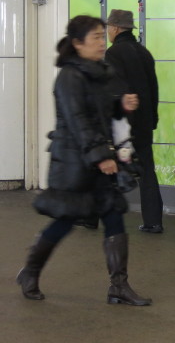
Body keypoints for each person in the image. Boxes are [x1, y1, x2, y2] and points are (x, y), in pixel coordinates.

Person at [17, 15, 152, 305]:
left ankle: (118, 286)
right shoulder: (69, 77)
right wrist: (101, 157)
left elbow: (101, 112)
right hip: (75, 163)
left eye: (103, 36)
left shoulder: (99, 72)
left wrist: (120, 104)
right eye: (95, 38)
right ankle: (30, 271)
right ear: (78, 43)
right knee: (65, 221)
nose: (102, 43)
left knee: (113, 215)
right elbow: (78, 121)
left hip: (97, 159)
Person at [105, 9, 164, 234]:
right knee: (147, 171)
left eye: (109, 27)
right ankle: (153, 221)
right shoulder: (144, 52)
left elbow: (115, 89)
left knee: (104, 169)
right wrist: (152, 119)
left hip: (123, 125)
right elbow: (154, 90)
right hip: (144, 123)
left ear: (115, 28)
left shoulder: (114, 53)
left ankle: (91, 217)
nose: (108, 32)